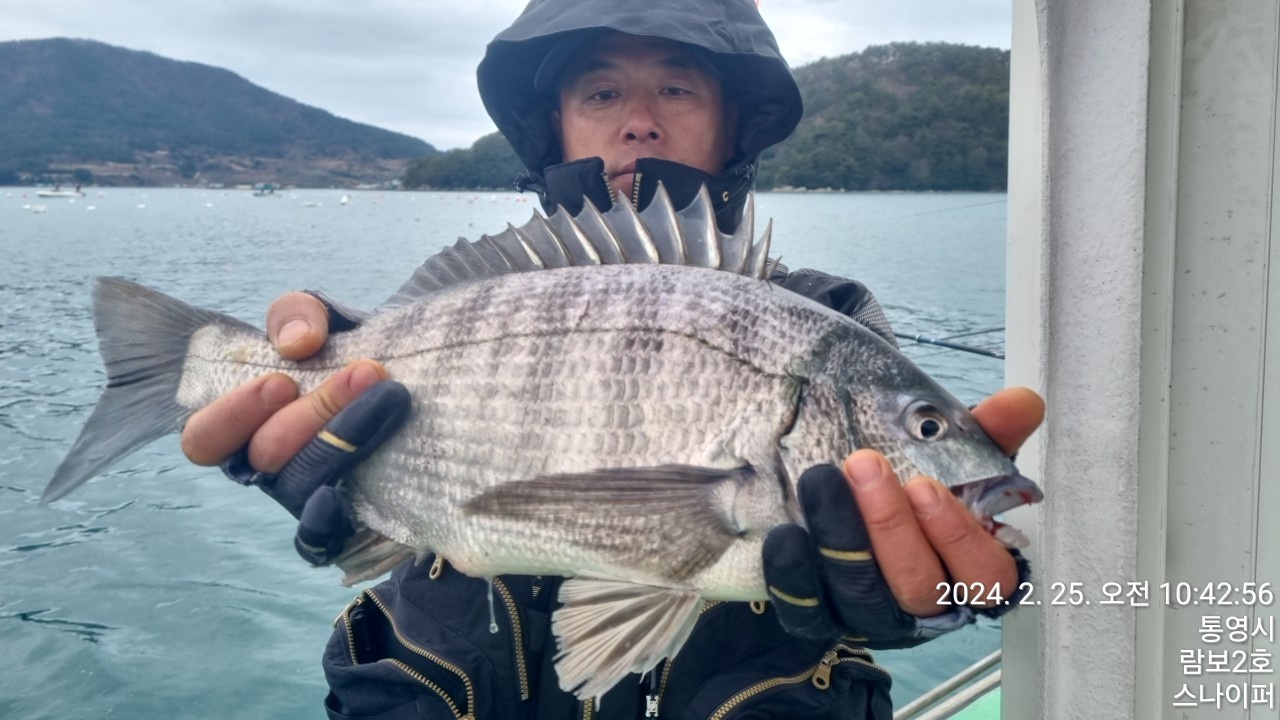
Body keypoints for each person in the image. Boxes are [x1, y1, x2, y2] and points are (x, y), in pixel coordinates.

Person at [181, 1, 1045, 717]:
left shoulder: (831, 320)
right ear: (553, 126)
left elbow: (914, 553)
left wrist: (938, 601)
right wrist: (336, 478)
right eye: (601, 91)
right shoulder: (478, 305)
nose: (640, 118)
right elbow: (396, 444)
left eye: (677, 86)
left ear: (733, 125)